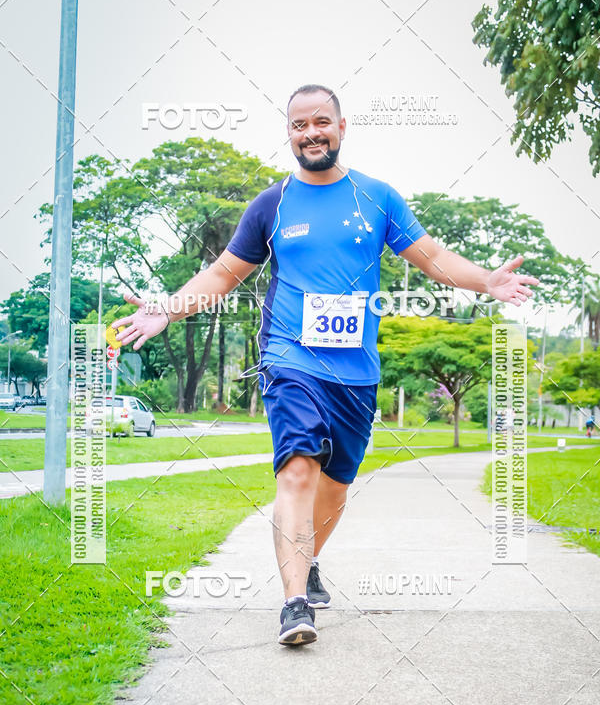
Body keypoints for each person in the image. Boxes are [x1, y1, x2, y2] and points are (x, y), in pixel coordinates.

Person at [113, 84, 539, 647]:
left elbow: (433, 259)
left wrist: (487, 280)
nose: (310, 133)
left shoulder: (377, 198)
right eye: (298, 125)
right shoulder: (272, 205)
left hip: (356, 375)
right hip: (290, 359)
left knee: (335, 490)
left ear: (341, 127)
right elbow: (223, 274)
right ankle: (293, 604)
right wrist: (166, 310)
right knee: (296, 470)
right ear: (288, 134)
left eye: (321, 122)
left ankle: (309, 561)